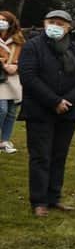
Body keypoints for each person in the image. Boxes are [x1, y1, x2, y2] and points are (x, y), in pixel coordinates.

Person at [17, 10, 75, 217]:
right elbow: (29, 77)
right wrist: (54, 101)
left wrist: (68, 100)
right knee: (41, 157)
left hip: (67, 112)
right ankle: (39, 200)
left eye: (61, 23)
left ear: (69, 27)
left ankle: (54, 197)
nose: (55, 26)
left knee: (59, 155)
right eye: (52, 22)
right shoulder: (33, 46)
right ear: (45, 23)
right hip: (40, 111)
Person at [0, 9, 24, 154]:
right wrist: (3, 64)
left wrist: (16, 66)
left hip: (14, 79)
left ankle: (5, 141)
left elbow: (27, 58)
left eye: (3, 19)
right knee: (1, 109)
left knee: (11, 112)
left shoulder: (18, 40)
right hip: (1, 78)